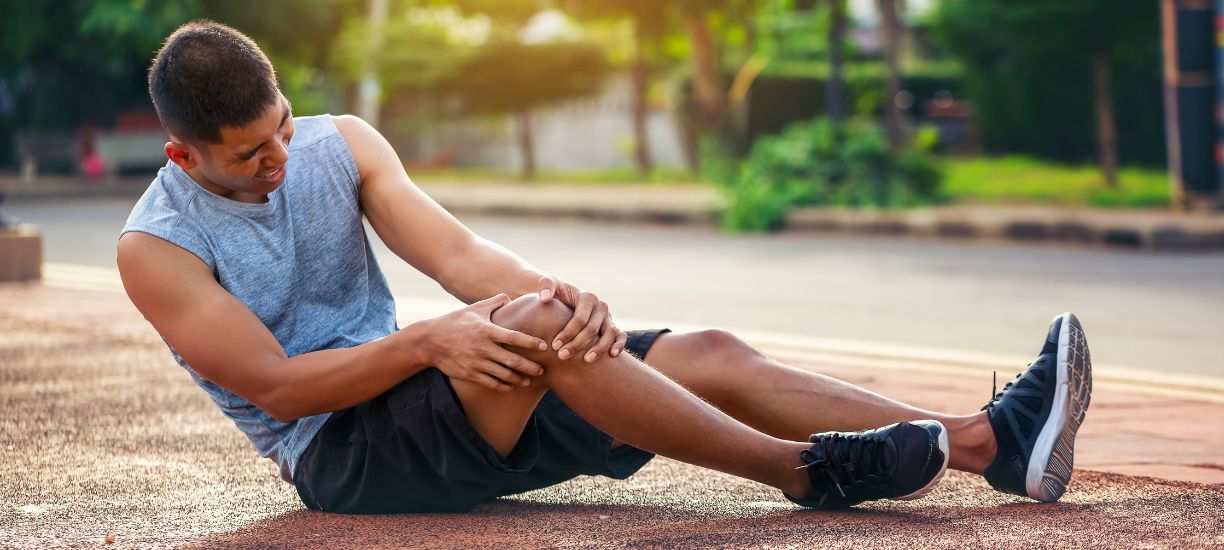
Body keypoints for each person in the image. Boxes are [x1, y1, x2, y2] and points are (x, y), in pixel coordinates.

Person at [117, 21, 1092, 514]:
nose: (280, 159)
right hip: (346, 455)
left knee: (698, 348)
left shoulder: (344, 144)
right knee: (531, 330)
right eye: (251, 154)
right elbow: (281, 390)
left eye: (282, 127)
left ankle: (989, 444)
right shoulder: (156, 247)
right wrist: (430, 343)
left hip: (447, 399)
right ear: (185, 154)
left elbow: (460, 256)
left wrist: (557, 295)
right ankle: (805, 472)